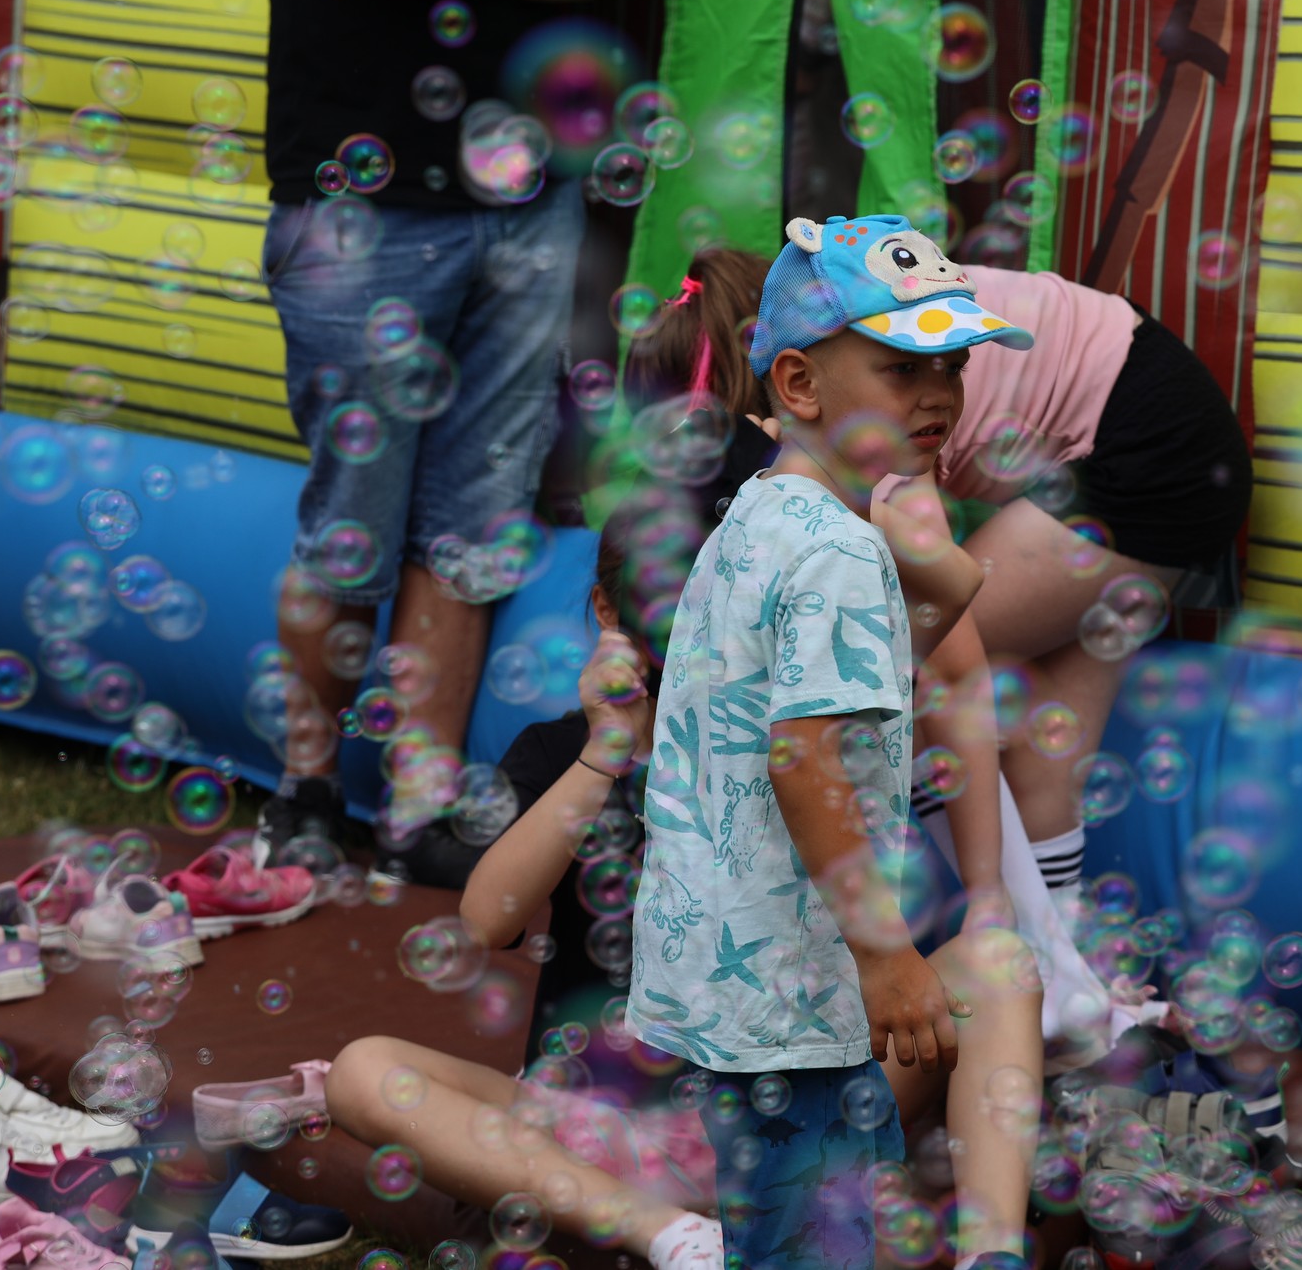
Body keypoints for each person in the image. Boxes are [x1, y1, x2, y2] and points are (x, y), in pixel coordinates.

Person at [327, 480, 1044, 1269]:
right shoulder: (561, 751)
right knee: (364, 1071)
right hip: (597, 1128)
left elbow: (943, 606)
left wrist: (843, 497)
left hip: (794, 1097)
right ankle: (674, 1236)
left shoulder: (804, 733)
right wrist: (604, 751)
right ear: (610, 611)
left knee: (996, 962)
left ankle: (992, 1258)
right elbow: (485, 918)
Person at [628, 213, 1040, 1270]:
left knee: (795, 1227)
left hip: (734, 969)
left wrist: (932, 562)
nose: (939, 394)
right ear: (801, 384)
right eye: (904, 367)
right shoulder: (840, 553)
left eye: (951, 364)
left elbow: (881, 671)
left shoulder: (759, 515)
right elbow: (803, 757)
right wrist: (887, 952)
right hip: (797, 982)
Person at [627, 248, 1253, 897]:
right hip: (1178, 428)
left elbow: (948, 649)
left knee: (895, 680)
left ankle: (998, 923)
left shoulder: (860, 420)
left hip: (1154, 450)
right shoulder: (848, 314)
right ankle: (1057, 950)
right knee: (1043, 739)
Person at [251, 0, 659, 872]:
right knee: (352, 516)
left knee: (477, 520)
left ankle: (420, 811)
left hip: (532, 191)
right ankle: (307, 792)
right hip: (355, 197)